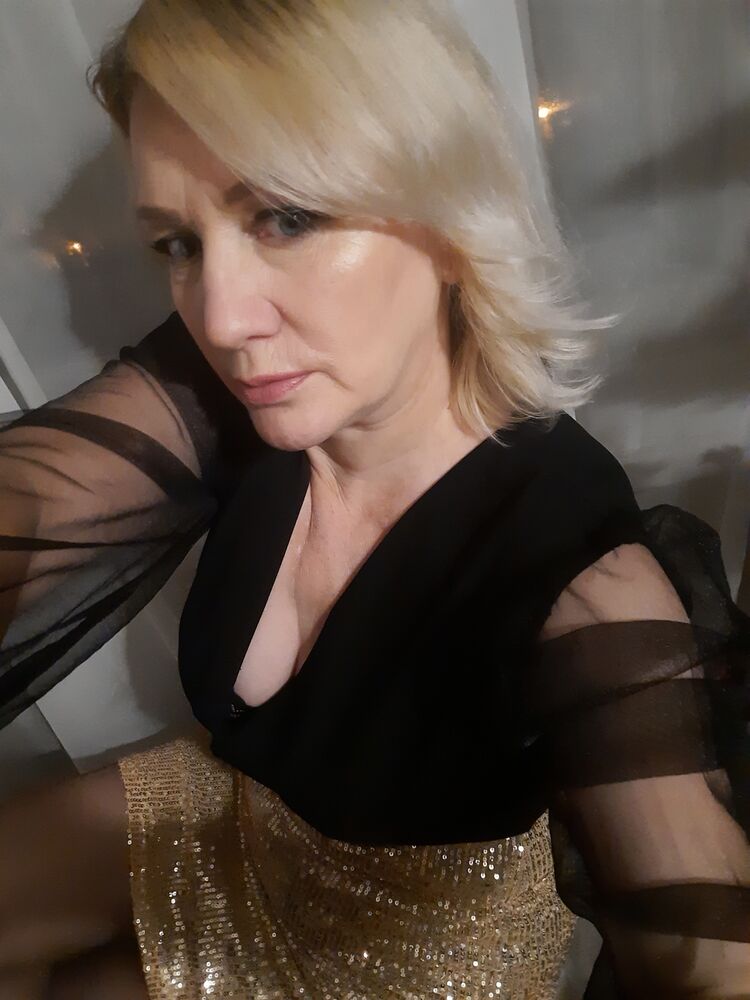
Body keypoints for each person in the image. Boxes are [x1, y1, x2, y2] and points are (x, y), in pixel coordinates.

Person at [1, 1, 749, 997]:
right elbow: (30, 503)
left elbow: (702, 954)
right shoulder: (246, 389)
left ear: (447, 216)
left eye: (286, 219)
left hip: (401, 955)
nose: (222, 317)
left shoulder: (579, 574)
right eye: (179, 243)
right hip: (243, 821)